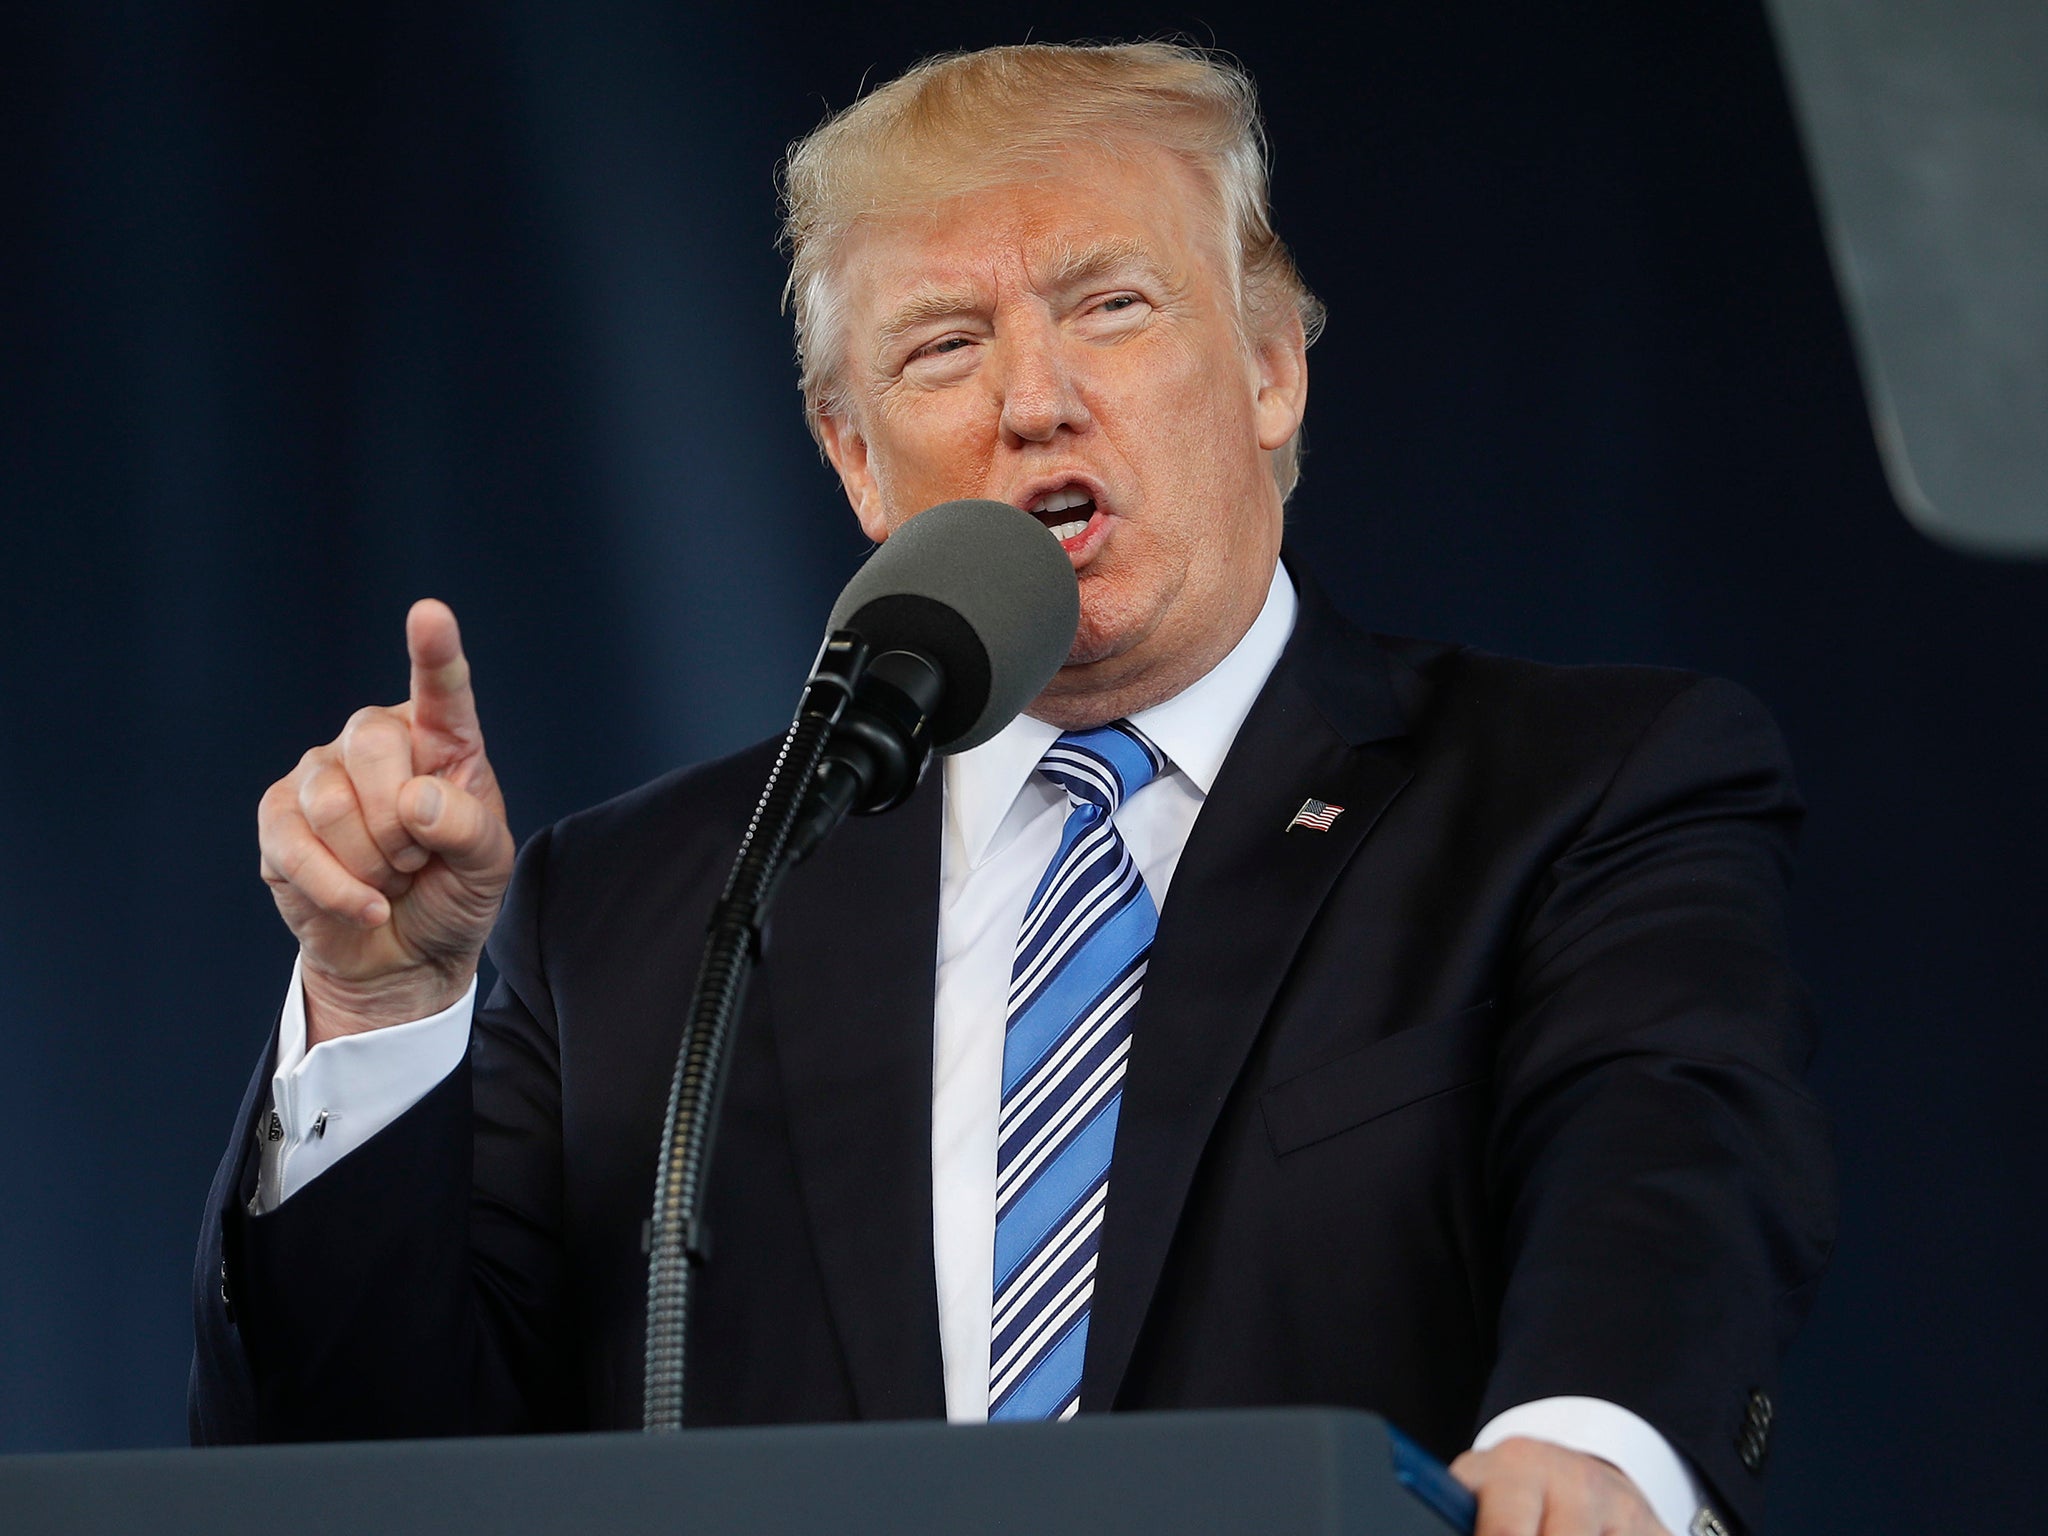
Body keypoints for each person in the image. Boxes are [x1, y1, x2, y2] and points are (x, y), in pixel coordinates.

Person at [191, 42, 1833, 1536]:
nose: (1034, 395)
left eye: (1112, 305)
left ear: (1272, 373)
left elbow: (1664, 1151)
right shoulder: (632, 907)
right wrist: (382, 1009)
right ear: (852, 460)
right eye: (946, 345)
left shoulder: (1577, 790)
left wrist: (1594, 1437)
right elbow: (362, 1469)